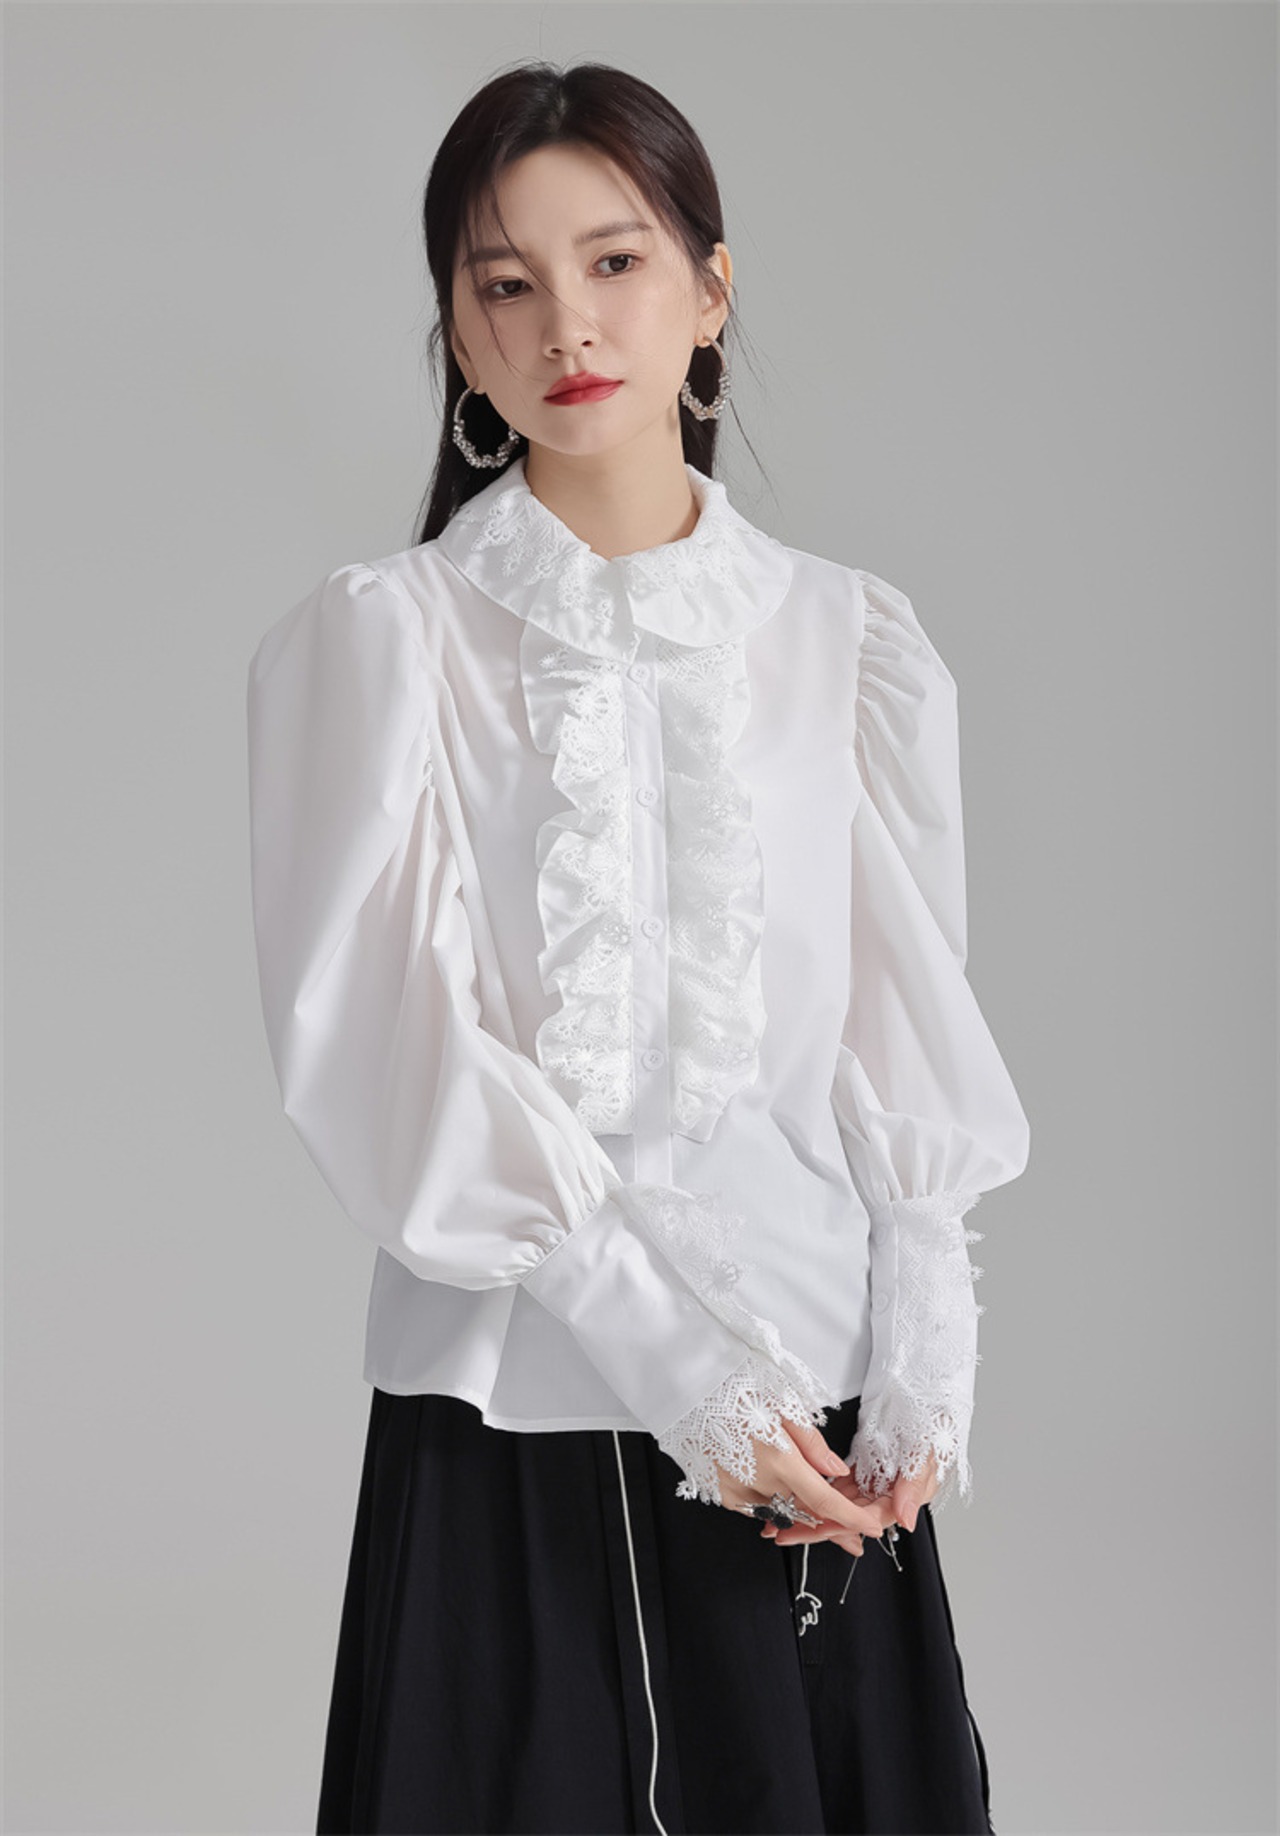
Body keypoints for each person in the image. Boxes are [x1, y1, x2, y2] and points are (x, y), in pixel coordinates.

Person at [246, 57, 1031, 1836]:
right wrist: (685, 1373)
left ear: (710, 286)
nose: (565, 325)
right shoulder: (389, 647)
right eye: (503, 283)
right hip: (521, 1414)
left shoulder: (848, 639)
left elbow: (901, 1019)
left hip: (815, 1420)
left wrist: (922, 1341)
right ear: (459, 332)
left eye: (614, 262)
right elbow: (388, 1054)